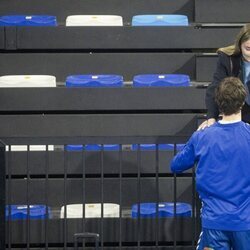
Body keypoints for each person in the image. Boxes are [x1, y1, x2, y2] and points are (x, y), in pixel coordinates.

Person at [170, 77, 250, 250]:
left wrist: (194, 139)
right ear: (242, 102)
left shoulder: (202, 136)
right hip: (245, 223)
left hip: (214, 222)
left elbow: (176, 165)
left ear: (218, 103)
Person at [199, 23, 250, 130]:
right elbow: (216, 87)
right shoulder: (228, 58)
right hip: (237, 114)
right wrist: (211, 117)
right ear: (240, 44)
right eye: (248, 49)